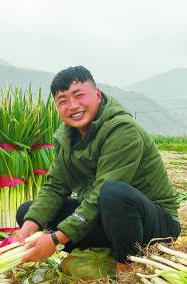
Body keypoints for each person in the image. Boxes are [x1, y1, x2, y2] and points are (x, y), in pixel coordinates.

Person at [14, 66, 180, 272]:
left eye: (79, 95)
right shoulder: (67, 137)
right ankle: (110, 250)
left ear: (98, 96)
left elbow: (102, 193)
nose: (73, 106)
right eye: (63, 101)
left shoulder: (123, 130)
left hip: (152, 222)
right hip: (108, 217)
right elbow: (55, 186)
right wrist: (28, 228)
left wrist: (56, 239)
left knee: (113, 193)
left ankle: (127, 270)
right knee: (28, 213)